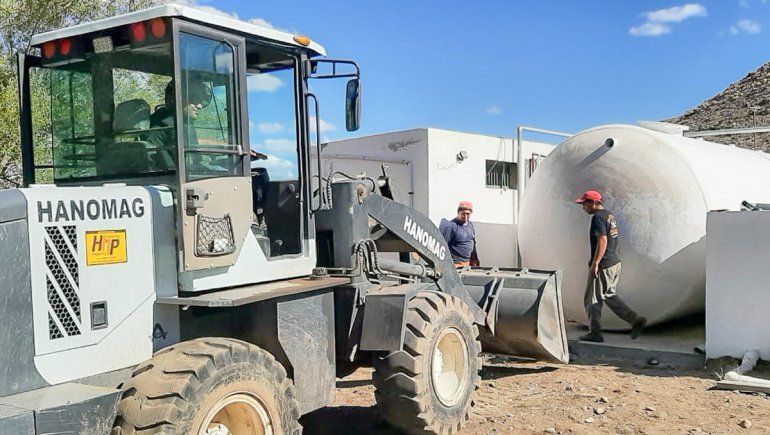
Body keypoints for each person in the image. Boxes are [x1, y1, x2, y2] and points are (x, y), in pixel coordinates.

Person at [576, 190, 646, 343]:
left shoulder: (598, 218)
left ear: (593, 203)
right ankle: (634, 320)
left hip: (604, 264)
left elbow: (603, 240)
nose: (583, 207)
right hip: (614, 262)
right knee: (608, 295)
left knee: (592, 299)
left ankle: (595, 332)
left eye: (585, 204)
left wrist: (595, 263)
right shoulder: (609, 216)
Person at [439, 201, 480, 268]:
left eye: (468, 214)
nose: (466, 217)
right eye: (463, 214)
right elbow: (442, 246)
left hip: (468, 264)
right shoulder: (451, 226)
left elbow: (473, 242)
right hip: (456, 264)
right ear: (458, 212)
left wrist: (475, 259)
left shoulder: (470, 225)